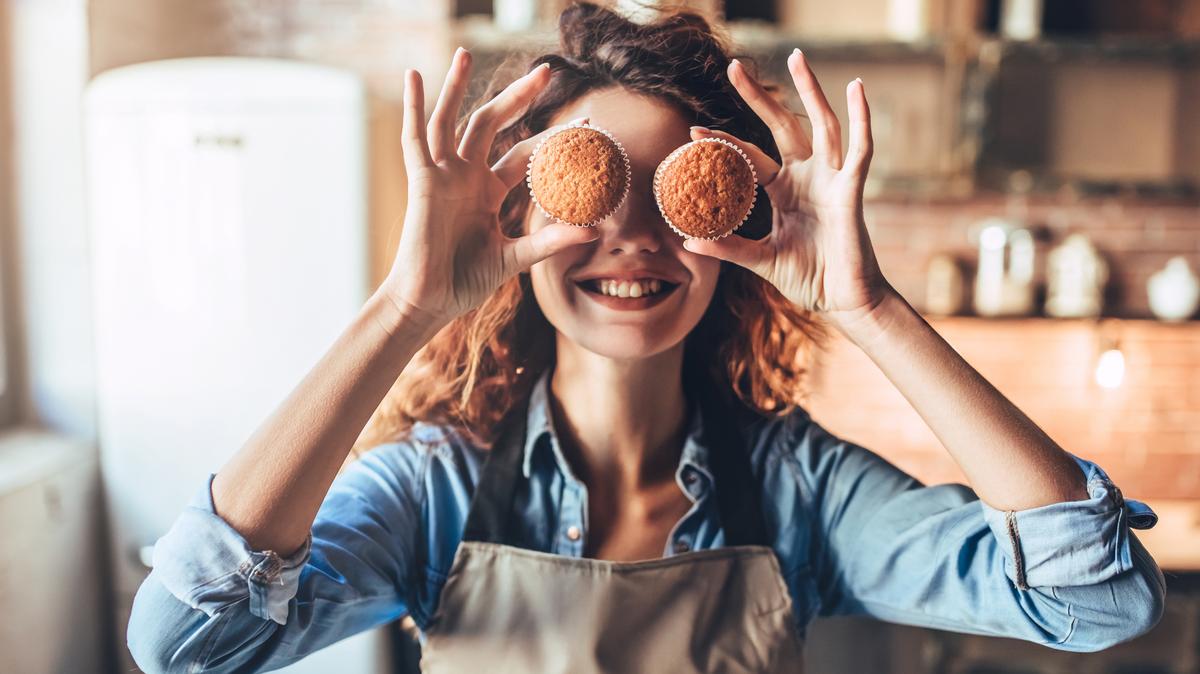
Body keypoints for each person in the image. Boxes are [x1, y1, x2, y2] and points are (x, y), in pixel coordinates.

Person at [126, 4, 1165, 673]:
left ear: (732, 233)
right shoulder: (434, 494)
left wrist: (868, 304)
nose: (630, 239)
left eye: (674, 196)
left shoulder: (798, 492)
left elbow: (1098, 599)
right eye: (593, 189)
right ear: (524, 222)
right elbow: (182, 642)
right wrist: (406, 306)